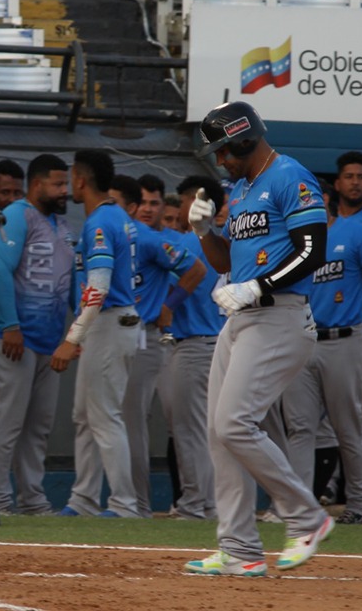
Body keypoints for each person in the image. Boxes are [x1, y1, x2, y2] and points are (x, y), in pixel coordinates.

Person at [182, 101, 330, 577]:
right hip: (243, 319)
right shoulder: (242, 189)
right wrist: (204, 231)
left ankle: (307, 518)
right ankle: (240, 549)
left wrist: (260, 285)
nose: (220, 161)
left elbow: (312, 251)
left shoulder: (290, 176)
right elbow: (227, 262)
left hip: (280, 315)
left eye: (224, 150)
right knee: (217, 432)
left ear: (245, 137)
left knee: (234, 423)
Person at [281, 183, 362, 526]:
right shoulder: (292, 239)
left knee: (348, 426)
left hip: (344, 339)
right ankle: (301, 508)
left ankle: (360, 504)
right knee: (300, 428)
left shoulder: (355, 233)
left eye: (311, 199)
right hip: (303, 339)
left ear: (325, 200)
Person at [0, 154, 74, 516]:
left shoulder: (61, 224)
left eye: (65, 183)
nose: (64, 191)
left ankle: (33, 499)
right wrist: (9, 325)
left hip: (48, 339)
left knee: (39, 426)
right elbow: (0, 272)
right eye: (58, 184)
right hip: (10, 337)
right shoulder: (16, 215)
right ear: (37, 185)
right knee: (6, 422)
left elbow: (71, 278)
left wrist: (75, 330)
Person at [109, 174, 203, 518]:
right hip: (119, 334)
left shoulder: (163, 241)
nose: (148, 209)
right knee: (118, 420)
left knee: (154, 422)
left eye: (154, 203)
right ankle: (135, 501)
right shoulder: (119, 237)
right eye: (143, 203)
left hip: (156, 336)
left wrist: (168, 306)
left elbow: (197, 271)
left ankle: (145, 504)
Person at [54, 150, 141, 518]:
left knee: (103, 416)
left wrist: (72, 337)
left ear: (80, 179)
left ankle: (124, 504)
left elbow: (99, 287)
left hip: (107, 320)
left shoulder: (100, 223)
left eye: (71, 177)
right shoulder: (116, 216)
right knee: (84, 415)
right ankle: (83, 499)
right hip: (110, 322)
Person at [157, 176, 226, 520]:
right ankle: (208, 503)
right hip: (217, 341)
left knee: (189, 430)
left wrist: (167, 304)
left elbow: (188, 277)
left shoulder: (191, 240)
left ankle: (194, 504)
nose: (181, 207)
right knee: (205, 429)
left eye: (184, 200)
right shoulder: (220, 241)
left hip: (195, 342)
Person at [333, 151, 362, 232]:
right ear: (337, 184)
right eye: (349, 177)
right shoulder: (327, 217)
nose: (355, 182)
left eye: (361, 177)